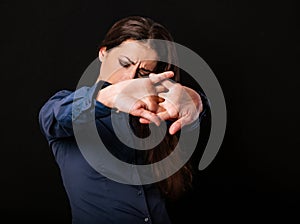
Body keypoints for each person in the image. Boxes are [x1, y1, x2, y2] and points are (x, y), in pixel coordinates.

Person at [39, 15, 209, 224]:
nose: (130, 78)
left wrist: (196, 100)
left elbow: (192, 110)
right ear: (103, 53)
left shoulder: (155, 113)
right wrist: (108, 96)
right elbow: (56, 117)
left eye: (143, 72)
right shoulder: (64, 107)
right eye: (124, 63)